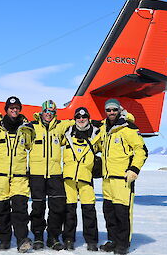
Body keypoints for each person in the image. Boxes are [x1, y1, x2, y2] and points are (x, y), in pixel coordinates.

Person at [97, 99, 148, 255]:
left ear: (119, 110)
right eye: (108, 110)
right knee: (109, 213)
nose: (111, 112)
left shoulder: (128, 128)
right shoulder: (104, 129)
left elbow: (142, 150)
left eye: (114, 109)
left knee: (122, 213)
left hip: (122, 180)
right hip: (107, 180)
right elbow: (99, 146)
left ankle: (123, 243)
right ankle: (113, 240)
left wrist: (134, 169)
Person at [29, 100, 73, 251]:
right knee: (38, 207)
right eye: (46, 112)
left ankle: (53, 237)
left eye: (52, 112)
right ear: (41, 112)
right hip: (37, 174)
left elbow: (78, 121)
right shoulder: (32, 127)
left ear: (55, 113)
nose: (48, 115)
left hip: (54, 174)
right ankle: (38, 236)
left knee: (58, 207)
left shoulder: (60, 126)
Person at [0, 96, 34, 252]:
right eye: (11, 108)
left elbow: (31, 146)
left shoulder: (26, 128)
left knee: (20, 209)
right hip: (1, 176)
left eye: (17, 108)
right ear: (6, 109)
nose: (14, 110)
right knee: (2, 209)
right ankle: (4, 239)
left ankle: (22, 239)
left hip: (19, 176)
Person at [62, 107, 99, 251]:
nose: (81, 119)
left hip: (86, 178)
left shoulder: (96, 134)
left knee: (89, 210)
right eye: (78, 117)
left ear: (88, 118)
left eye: (84, 117)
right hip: (69, 179)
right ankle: (69, 239)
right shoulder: (67, 133)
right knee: (69, 211)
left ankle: (91, 240)